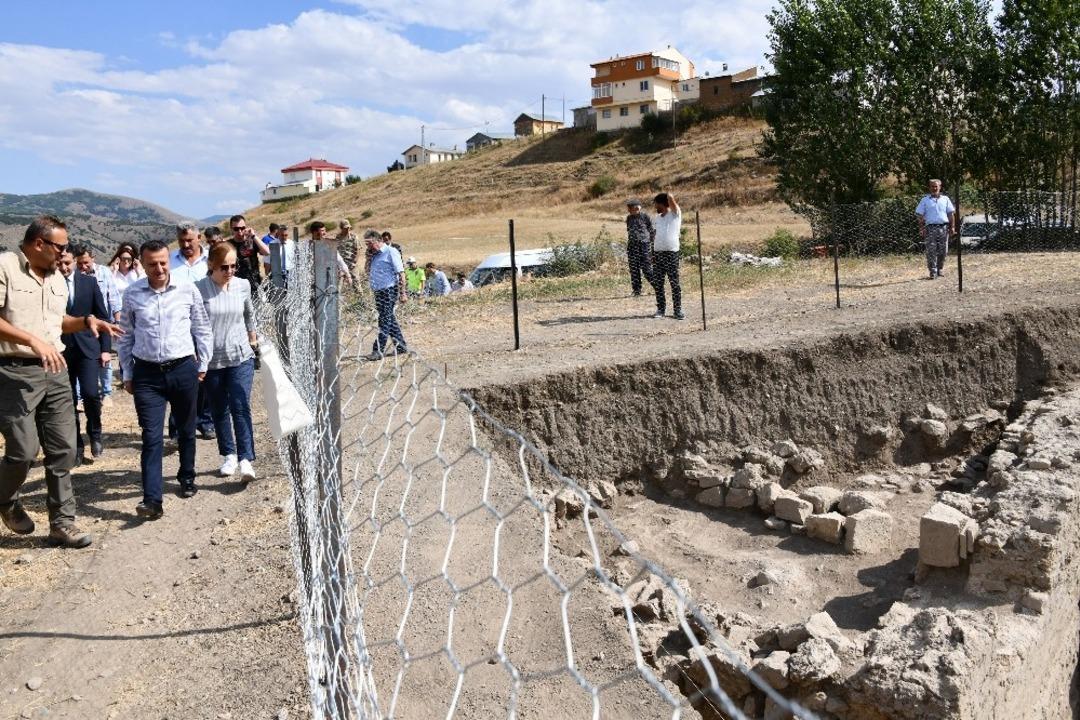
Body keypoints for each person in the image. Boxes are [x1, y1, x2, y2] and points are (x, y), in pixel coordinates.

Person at [0, 215, 122, 548]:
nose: (64, 253)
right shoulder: (6, 266)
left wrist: (85, 321)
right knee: (24, 450)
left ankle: (62, 524)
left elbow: (57, 323)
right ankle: (5, 498)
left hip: (55, 369)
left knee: (63, 449)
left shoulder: (56, 277)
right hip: (14, 372)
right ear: (39, 244)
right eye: (60, 246)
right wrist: (32, 342)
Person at [117, 239, 212, 515]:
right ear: (142, 264)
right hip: (147, 374)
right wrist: (127, 372)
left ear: (168, 262)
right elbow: (126, 337)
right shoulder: (133, 294)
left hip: (183, 368)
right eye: (152, 264)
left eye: (162, 263)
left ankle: (187, 476)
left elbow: (202, 328)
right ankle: (152, 499)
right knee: (151, 436)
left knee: (185, 428)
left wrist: (203, 362)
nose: (158, 269)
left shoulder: (187, 290)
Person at [196, 244, 258, 482]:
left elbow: (249, 314)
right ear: (211, 265)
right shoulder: (198, 290)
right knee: (219, 409)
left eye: (234, 266)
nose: (230, 271)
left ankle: (246, 459)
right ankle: (229, 455)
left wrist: (253, 338)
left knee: (241, 406)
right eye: (224, 267)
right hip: (211, 360)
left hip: (240, 356)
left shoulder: (242, 285)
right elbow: (194, 323)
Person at [59, 247, 112, 464]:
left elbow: (102, 315)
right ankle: (77, 446)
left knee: (90, 394)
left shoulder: (89, 282)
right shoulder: (49, 283)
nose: (63, 267)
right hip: (60, 350)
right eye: (60, 263)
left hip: (88, 348)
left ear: (74, 261)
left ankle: (95, 433)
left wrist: (106, 348)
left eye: (67, 263)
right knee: (68, 400)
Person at [168, 223, 214, 439]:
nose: (186, 245)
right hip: (178, 325)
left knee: (204, 373)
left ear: (199, 238)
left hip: (206, 322)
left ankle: (205, 421)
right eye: (182, 241)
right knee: (179, 376)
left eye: (190, 240)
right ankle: (177, 425)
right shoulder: (169, 261)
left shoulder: (210, 261)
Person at [73, 245, 120, 406]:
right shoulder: (74, 277)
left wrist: (116, 319)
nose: (83, 267)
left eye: (86, 263)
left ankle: (106, 392)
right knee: (81, 359)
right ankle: (79, 396)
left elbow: (113, 296)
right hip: (80, 324)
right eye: (79, 264)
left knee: (104, 357)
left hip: (102, 320)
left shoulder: (104, 273)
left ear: (93, 258)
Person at [363, 230, 407, 359]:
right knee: (388, 318)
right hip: (379, 291)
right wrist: (369, 258)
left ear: (378, 240)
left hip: (389, 290)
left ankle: (378, 350)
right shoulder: (374, 255)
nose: (368, 247)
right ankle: (401, 346)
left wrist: (403, 293)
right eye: (367, 244)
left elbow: (401, 273)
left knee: (384, 319)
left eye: (370, 243)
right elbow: (367, 270)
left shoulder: (391, 252)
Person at [650, 192, 684, 320]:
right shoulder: (657, 218)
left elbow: (670, 198)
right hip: (658, 253)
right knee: (658, 283)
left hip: (671, 253)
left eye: (656, 204)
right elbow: (654, 236)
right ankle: (661, 309)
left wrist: (667, 195)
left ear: (663, 204)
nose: (655, 207)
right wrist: (652, 253)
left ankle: (677, 310)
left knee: (674, 282)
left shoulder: (675, 214)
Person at [915, 179, 956, 280]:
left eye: (936, 186)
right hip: (930, 228)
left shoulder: (945, 199)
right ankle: (933, 272)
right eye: (932, 186)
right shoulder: (924, 200)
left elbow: (951, 214)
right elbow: (920, 215)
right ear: (929, 187)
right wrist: (921, 228)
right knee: (931, 251)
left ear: (940, 187)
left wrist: (952, 227)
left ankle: (939, 269)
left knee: (943, 251)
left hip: (943, 227)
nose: (934, 188)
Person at [227, 214, 269, 291]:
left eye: (242, 228)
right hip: (236, 287)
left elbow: (267, 252)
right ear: (231, 229)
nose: (240, 232)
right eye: (236, 229)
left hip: (255, 285)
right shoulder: (228, 245)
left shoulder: (252, 241)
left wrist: (253, 236)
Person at [625, 198, 655, 296]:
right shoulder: (629, 218)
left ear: (637, 208)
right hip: (632, 246)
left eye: (630, 208)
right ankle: (637, 290)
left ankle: (657, 286)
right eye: (628, 208)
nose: (628, 210)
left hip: (644, 245)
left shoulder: (645, 216)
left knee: (647, 269)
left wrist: (652, 245)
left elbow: (652, 230)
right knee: (634, 269)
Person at [337, 219, 359, 284]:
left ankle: (360, 294)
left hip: (352, 264)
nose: (347, 229)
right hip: (342, 264)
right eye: (345, 228)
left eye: (348, 227)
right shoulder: (338, 237)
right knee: (340, 283)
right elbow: (336, 250)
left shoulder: (354, 237)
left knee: (356, 282)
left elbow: (358, 249)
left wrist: (354, 262)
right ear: (341, 228)